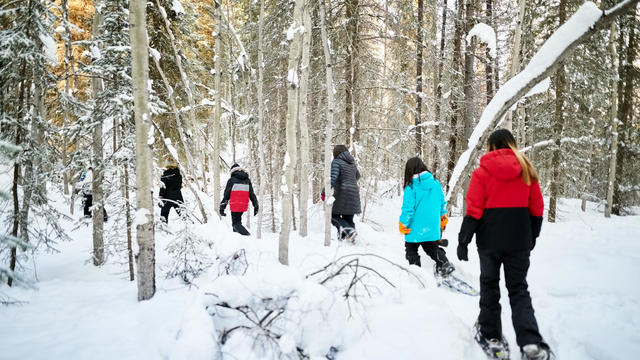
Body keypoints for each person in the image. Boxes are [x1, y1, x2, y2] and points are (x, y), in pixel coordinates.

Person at [457, 129, 553, 360]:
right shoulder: (527, 170)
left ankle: (492, 337)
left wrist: (463, 240)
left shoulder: (482, 173)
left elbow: (474, 209)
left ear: (490, 147)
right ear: (512, 144)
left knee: (490, 286)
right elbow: (537, 209)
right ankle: (530, 343)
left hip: (489, 240)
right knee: (518, 289)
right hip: (519, 240)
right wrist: (531, 237)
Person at [398, 157, 454, 276]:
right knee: (431, 248)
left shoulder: (411, 187)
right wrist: (443, 218)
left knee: (411, 250)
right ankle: (444, 264)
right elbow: (441, 203)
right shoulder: (435, 183)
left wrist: (403, 224)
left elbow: (408, 209)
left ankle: (417, 276)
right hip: (432, 226)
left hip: (415, 227)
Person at [324, 145, 361, 242]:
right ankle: (347, 240)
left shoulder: (336, 162)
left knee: (332, 216)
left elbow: (332, 177)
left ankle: (349, 233)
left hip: (342, 193)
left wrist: (325, 191)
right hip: (354, 194)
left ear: (336, 153)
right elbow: (357, 176)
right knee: (348, 218)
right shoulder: (352, 163)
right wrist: (350, 182)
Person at [219, 163, 258, 236]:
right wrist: (256, 205)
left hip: (234, 205)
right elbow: (251, 194)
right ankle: (238, 242)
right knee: (238, 223)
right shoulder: (247, 180)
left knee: (235, 224)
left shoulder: (231, 180)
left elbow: (226, 195)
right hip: (243, 205)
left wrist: (222, 208)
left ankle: (247, 235)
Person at [159, 157, 184, 223]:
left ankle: (163, 231)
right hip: (178, 197)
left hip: (167, 198)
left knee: (163, 217)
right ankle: (192, 228)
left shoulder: (165, 175)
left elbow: (162, 188)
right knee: (184, 215)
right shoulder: (179, 175)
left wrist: (161, 198)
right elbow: (179, 186)